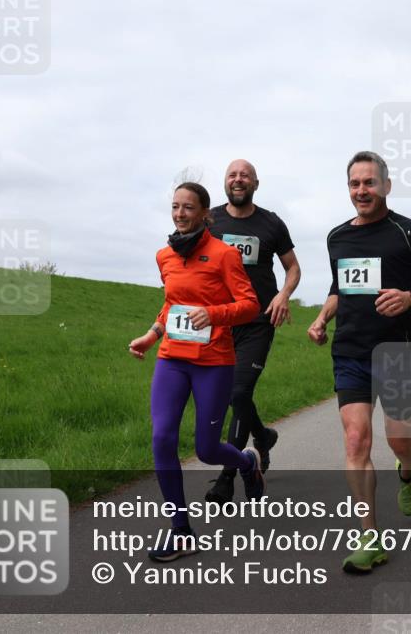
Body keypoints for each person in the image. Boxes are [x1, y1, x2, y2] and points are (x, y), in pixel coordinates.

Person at [307, 151, 411, 573]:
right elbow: (340, 287)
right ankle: (369, 537)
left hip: (397, 351)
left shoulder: (409, 232)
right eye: (354, 184)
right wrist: (320, 318)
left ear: (386, 185)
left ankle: (406, 469)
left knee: (397, 440)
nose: (361, 191)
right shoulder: (336, 237)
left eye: (369, 182)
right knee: (356, 442)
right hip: (350, 351)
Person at [128, 181, 265, 562]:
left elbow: (250, 305)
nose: (180, 214)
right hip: (173, 358)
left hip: (214, 362)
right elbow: (171, 304)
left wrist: (215, 313)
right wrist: (151, 335)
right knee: (162, 438)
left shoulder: (224, 255)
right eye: (175, 206)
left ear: (206, 214)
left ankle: (247, 462)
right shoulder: (165, 256)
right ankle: (181, 529)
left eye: (188, 208)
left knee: (206, 450)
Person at [204, 159, 301, 504]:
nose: (238, 179)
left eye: (245, 175)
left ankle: (226, 479)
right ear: (225, 182)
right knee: (231, 395)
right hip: (219, 323)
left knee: (239, 392)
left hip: (258, 321)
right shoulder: (210, 220)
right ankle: (262, 434)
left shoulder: (271, 223)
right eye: (232, 174)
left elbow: (292, 267)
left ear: (256, 183)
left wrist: (283, 295)